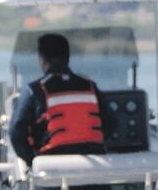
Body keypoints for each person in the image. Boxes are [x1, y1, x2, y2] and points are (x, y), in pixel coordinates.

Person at [9, 33, 106, 166]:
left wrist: (32, 161)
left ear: (41, 59)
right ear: (68, 57)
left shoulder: (33, 90)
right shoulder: (90, 87)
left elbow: (16, 131)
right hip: (94, 169)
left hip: (52, 172)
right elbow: (110, 122)